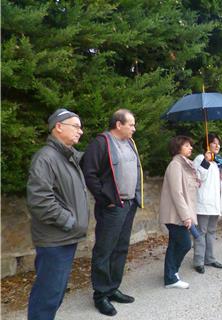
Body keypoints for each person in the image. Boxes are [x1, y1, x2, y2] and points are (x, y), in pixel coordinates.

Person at [26, 108, 89, 320]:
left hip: (65, 237)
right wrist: (69, 222)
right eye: (76, 126)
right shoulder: (46, 158)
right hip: (55, 239)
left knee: (55, 294)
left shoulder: (67, 157)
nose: (81, 131)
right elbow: (40, 201)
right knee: (47, 297)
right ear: (58, 127)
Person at [82, 109, 144, 316]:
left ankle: (112, 288)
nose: (134, 128)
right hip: (112, 207)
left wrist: (135, 199)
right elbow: (89, 172)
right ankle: (100, 295)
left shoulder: (130, 143)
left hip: (129, 205)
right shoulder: (101, 143)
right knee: (104, 250)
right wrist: (105, 199)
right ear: (118, 124)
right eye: (131, 124)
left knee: (120, 248)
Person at [159, 136, 199, 288]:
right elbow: (177, 193)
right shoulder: (176, 165)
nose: (191, 148)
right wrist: (186, 216)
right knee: (184, 244)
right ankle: (171, 274)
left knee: (175, 244)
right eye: (187, 145)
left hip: (178, 214)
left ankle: (171, 276)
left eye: (190, 146)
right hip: (175, 215)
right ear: (178, 147)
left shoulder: (184, 165)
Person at [192, 133, 222, 274]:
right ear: (207, 145)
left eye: (218, 143)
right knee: (201, 232)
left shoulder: (219, 161)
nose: (217, 145)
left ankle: (210, 258)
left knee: (212, 231)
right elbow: (198, 177)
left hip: (216, 202)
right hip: (204, 202)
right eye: (214, 143)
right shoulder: (200, 159)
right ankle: (199, 261)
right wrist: (206, 162)